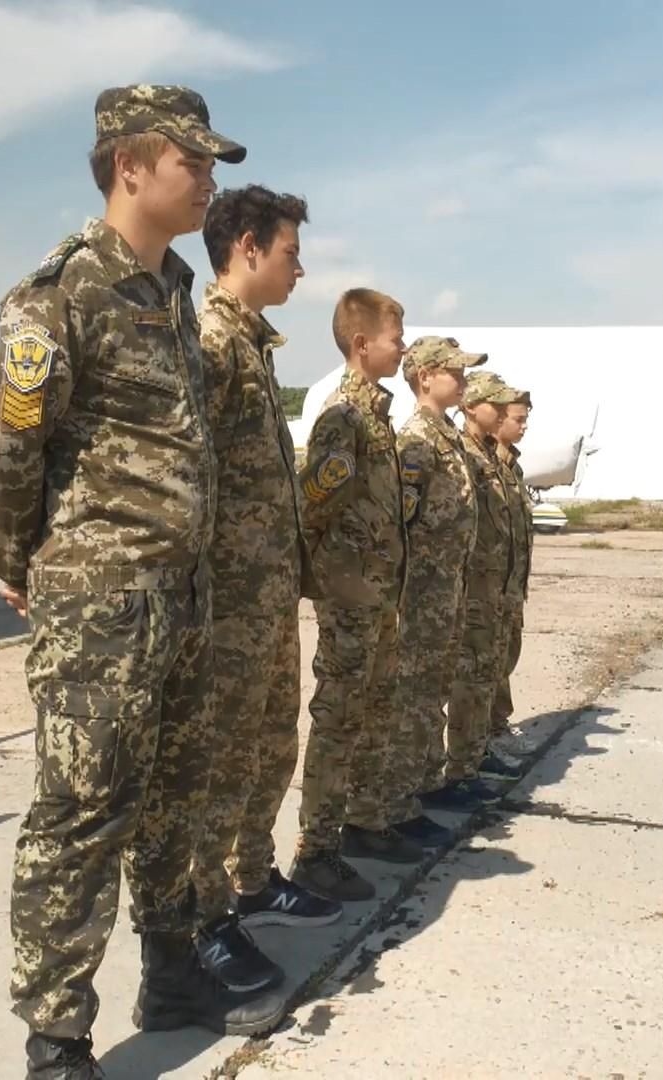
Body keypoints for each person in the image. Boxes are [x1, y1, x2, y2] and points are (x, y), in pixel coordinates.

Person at [0, 84, 278, 1080]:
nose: (209, 181)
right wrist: (21, 565)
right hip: (99, 599)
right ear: (132, 164)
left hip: (182, 592)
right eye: (195, 163)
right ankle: (57, 1035)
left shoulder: (179, 292)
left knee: (177, 798)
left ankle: (173, 968)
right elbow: (11, 450)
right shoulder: (59, 293)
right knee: (83, 807)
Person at [186, 184, 342, 997]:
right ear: (248, 246)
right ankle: (203, 916)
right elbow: (190, 474)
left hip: (267, 597)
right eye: (289, 252)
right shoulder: (210, 339)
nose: (299, 268)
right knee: (220, 760)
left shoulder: (251, 341)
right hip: (229, 602)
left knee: (270, 745)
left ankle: (252, 878)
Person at [289, 288, 417, 901]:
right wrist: (324, 571)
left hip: (378, 592)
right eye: (396, 338)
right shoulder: (344, 415)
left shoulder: (378, 416)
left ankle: (364, 822)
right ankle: (315, 850)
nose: (404, 346)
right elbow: (313, 499)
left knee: (373, 710)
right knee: (339, 717)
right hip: (349, 593)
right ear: (363, 344)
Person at [390, 336, 488, 830]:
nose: (465, 379)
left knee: (434, 689)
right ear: (425, 376)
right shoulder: (417, 439)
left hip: (448, 586)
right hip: (425, 589)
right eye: (456, 371)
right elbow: (402, 521)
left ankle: (427, 784)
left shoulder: (444, 433)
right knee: (415, 695)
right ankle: (402, 799)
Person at [426, 370, 520, 807]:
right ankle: (459, 768)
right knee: (468, 678)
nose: (503, 415)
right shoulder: (461, 452)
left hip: (494, 586)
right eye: (496, 407)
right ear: (472, 409)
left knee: (485, 675)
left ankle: (474, 755)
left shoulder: (488, 456)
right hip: (471, 587)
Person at [487, 389, 535, 774]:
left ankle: (496, 727)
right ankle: (486, 738)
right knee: (485, 666)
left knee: (505, 657)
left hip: (509, 584)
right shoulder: (484, 464)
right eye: (517, 418)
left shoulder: (509, 466)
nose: (523, 425)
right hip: (487, 588)